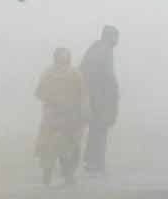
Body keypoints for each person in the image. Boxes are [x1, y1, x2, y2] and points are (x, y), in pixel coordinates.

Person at [35, 47, 89, 186]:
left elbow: (82, 94)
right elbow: (40, 92)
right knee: (54, 147)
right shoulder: (50, 73)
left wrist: (83, 111)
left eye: (64, 59)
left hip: (67, 117)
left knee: (66, 147)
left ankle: (65, 175)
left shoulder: (72, 73)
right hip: (56, 117)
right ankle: (52, 175)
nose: (62, 63)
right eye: (61, 58)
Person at [81, 26, 120, 174]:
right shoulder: (103, 51)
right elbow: (106, 76)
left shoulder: (96, 49)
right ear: (109, 37)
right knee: (99, 130)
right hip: (100, 99)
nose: (117, 41)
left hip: (97, 97)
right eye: (116, 37)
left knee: (96, 130)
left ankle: (92, 162)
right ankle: (95, 163)